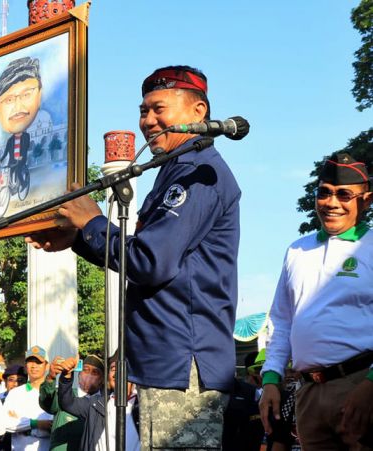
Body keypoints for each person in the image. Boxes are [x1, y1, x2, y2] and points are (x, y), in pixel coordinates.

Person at [27, 65, 240, 449]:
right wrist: (77, 238)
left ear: (198, 112)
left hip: (183, 365)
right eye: (143, 111)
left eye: (159, 108)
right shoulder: (173, 170)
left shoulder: (199, 172)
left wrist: (91, 221)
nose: (148, 120)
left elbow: (149, 263)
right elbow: (141, 257)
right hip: (162, 364)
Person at [259, 151, 373, 450]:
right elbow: (281, 322)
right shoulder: (297, 250)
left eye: (344, 195)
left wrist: (370, 385)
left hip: (360, 384)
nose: (331, 203)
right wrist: (271, 378)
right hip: (308, 392)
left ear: (367, 200)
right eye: (324, 192)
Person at [56, 355, 140, 451]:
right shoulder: (97, 403)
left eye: (123, 368)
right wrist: (66, 375)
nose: (117, 373)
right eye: (113, 368)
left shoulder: (144, 406)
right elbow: (67, 403)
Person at [39, 354, 104, 451]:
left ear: (101, 379)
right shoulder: (65, 394)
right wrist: (50, 377)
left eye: (95, 372)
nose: (89, 375)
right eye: (85, 370)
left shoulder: (105, 403)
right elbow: (46, 402)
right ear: (79, 374)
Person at [0, 57, 43, 189]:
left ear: (40, 95)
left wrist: (22, 157)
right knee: (11, 174)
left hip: (21, 160)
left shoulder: (26, 136)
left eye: (26, 95)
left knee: (19, 173)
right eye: (9, 100)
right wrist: (2, 158)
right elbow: (6, 151)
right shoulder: (10, 140)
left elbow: (26, 146)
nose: (17, 108)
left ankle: (22, 184)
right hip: (12, 161)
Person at [3, 346, 54, 450]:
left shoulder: (54, 393)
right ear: (26, 366)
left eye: (38, 362)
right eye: (30, 362)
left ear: (47, 366)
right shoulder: (14, 394)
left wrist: (23, 427)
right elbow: (5, 423)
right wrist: (35, 423)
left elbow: (53, 427)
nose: (34, 366)